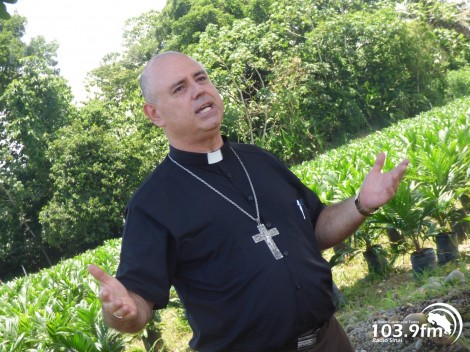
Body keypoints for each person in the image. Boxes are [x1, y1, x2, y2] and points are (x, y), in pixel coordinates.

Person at [88, 51, 409, 352]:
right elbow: (138, 303)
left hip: (329, 340)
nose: (199, 90)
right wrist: (122, 312)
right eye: (180, 88)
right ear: (154, 114)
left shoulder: (260, 160)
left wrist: (361, 204)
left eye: (201, 78)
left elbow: (316, 229)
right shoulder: (153, 203)